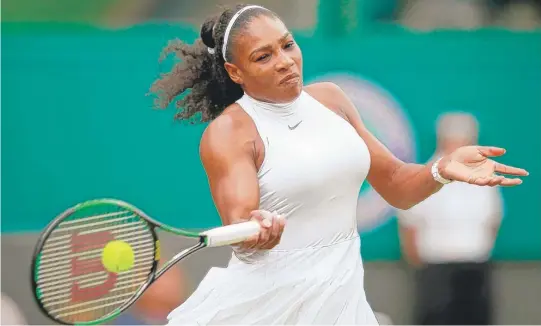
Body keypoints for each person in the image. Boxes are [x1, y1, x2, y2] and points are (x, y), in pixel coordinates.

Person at [149, 4, 528, 324]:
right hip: (266, 309)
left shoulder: (331, 100)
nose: (285, 62)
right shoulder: (228, 132)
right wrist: (257, 226)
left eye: (287, 45)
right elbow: (241, 217)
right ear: (236, 72)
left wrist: (441, 170)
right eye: (264, 56)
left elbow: (397, 183)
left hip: (342, 304)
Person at [397, 112, 504, 325]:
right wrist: (423, 269)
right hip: (435, 270)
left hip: (475, 269)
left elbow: (493, 220)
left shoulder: (485, 178)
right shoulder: (424, 176)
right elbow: (410, 226)